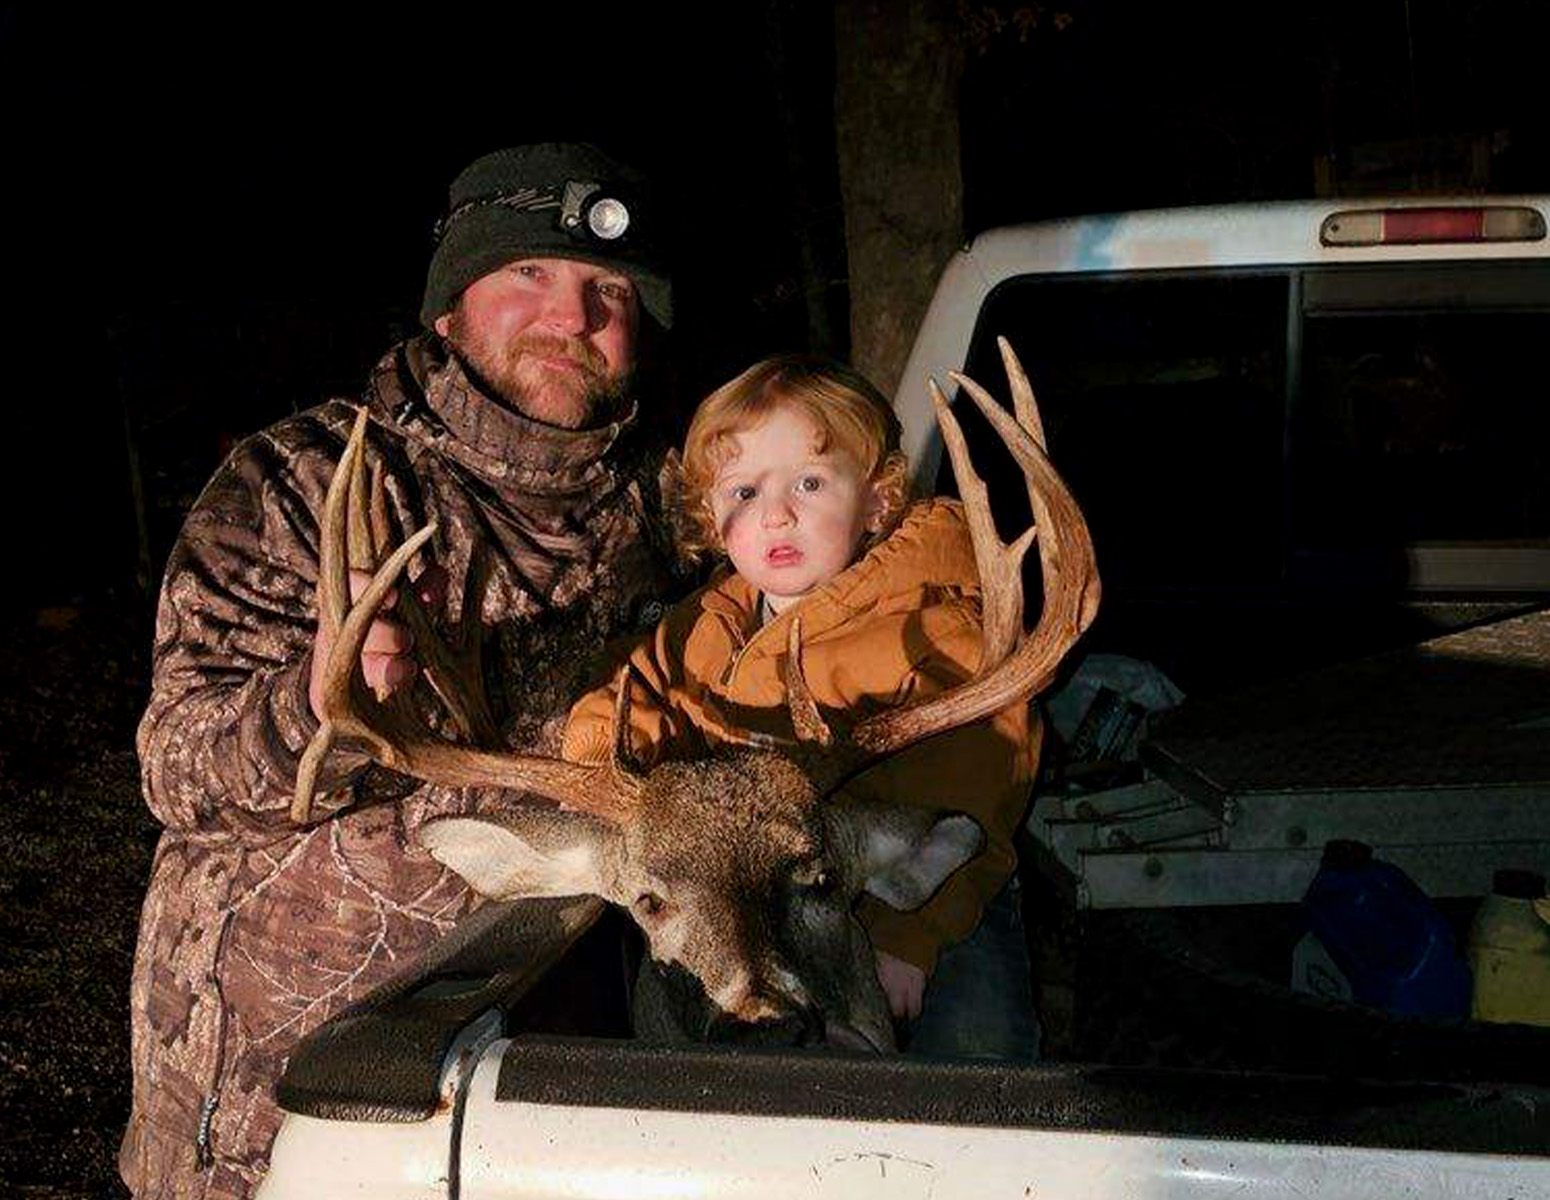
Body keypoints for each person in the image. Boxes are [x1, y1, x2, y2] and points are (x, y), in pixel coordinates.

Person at [121, 143, 683, 1200]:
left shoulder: (676, 512)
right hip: (288, 1079)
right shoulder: (304, 482)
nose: (570, 318)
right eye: (528, 274)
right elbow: (176, 771)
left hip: (550, 1068)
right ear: (447, 306)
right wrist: (316, 708)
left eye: (605, 288)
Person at [561, 355, 1042, 1060]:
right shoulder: (710, 622)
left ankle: (1005, 1151)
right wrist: (620, 760)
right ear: (709, 517)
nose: (777, 513)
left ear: (877, 502)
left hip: (928, 888)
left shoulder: (938, 624)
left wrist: (909, 942)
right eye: (745, 491)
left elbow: (976, 786)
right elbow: (630, 688)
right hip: (770, 901)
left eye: (810, 483)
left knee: (972, 1053)